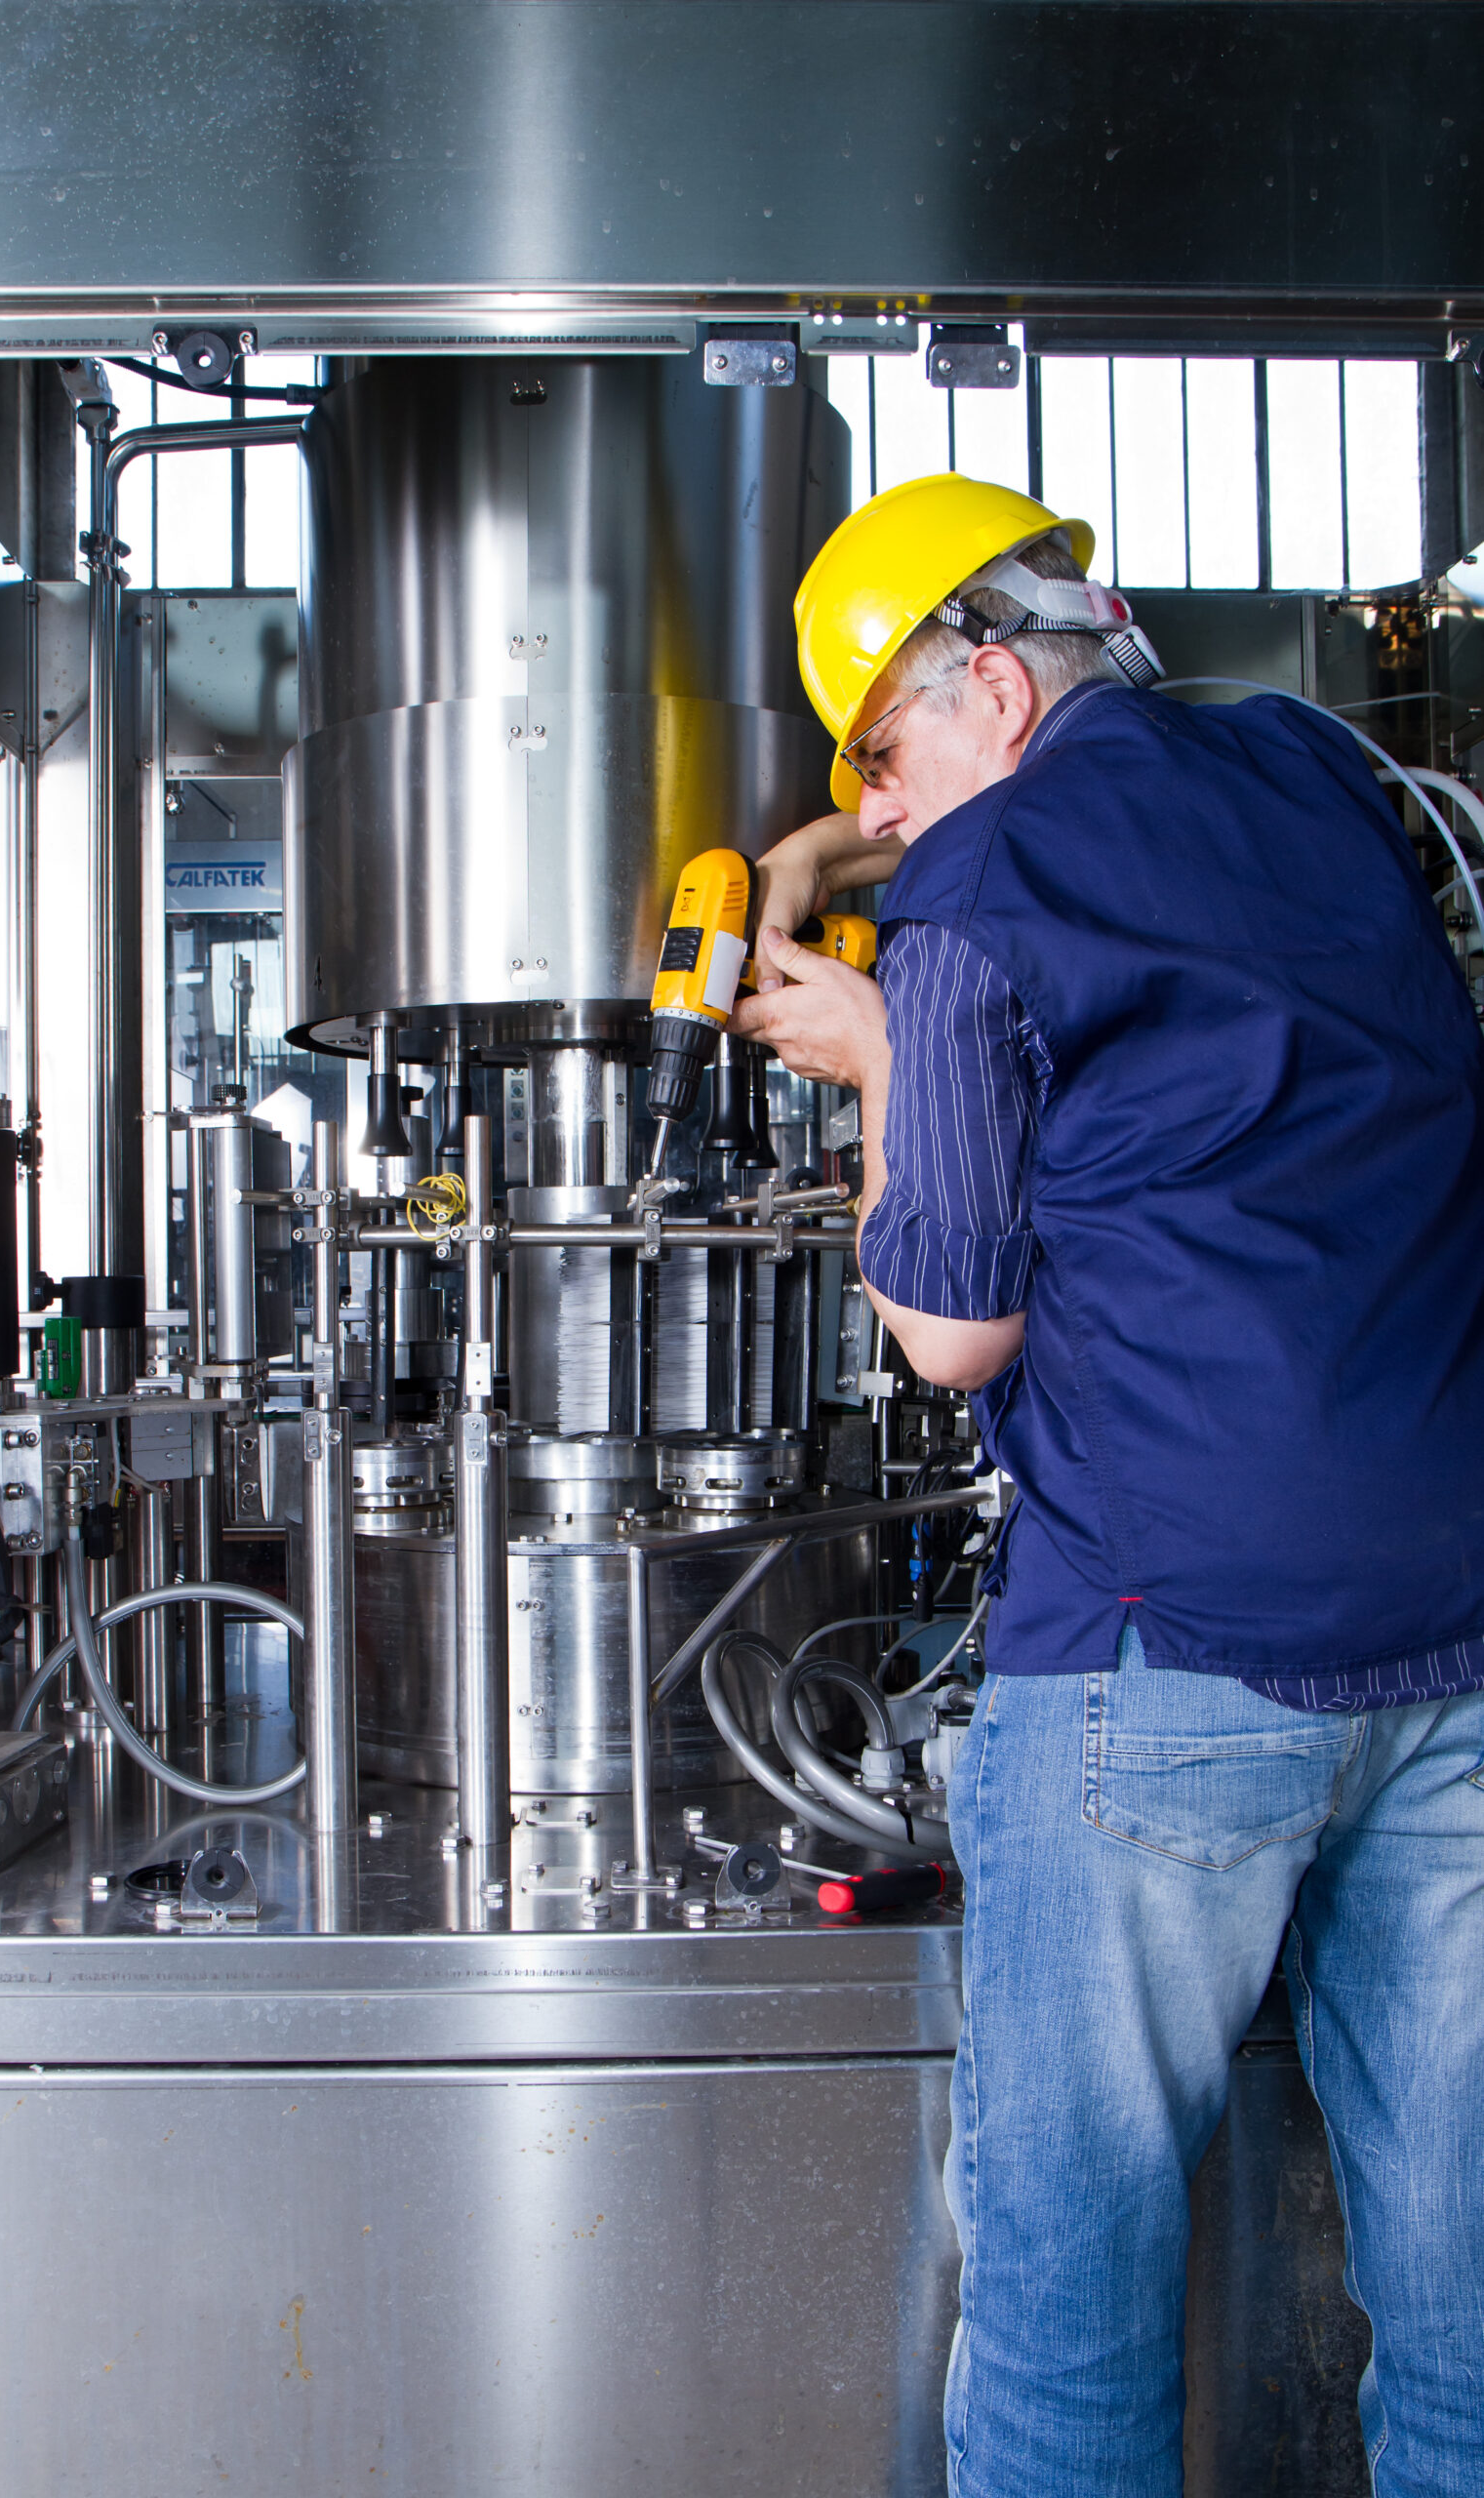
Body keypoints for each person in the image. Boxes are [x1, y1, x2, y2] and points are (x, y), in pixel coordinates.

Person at [731, 472, 1484, 2497]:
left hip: (1162, 1657)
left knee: (1070, 2322)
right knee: (1467, 2305)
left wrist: (887, 1056)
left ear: (987, 684)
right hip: (1446, 1632)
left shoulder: (978, 891)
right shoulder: (1317, 783)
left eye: (885, 755)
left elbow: (948, 1327)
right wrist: (807, 847)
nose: (887, 811)